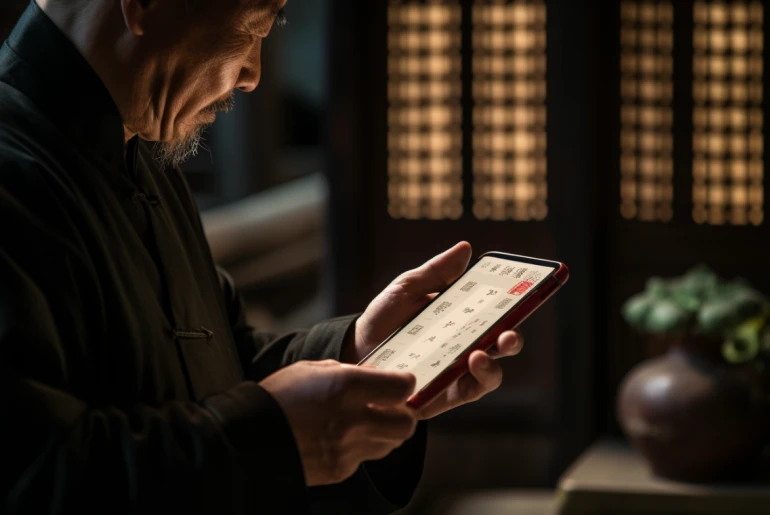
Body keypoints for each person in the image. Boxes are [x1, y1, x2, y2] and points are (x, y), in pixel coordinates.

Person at [0, 1, 524, 513]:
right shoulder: (14, 168)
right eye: (251, 27)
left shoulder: (143, 152)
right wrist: (275, 441)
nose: (252, 73)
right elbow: (36, 477)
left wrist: (361, 355)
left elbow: (227, 366)